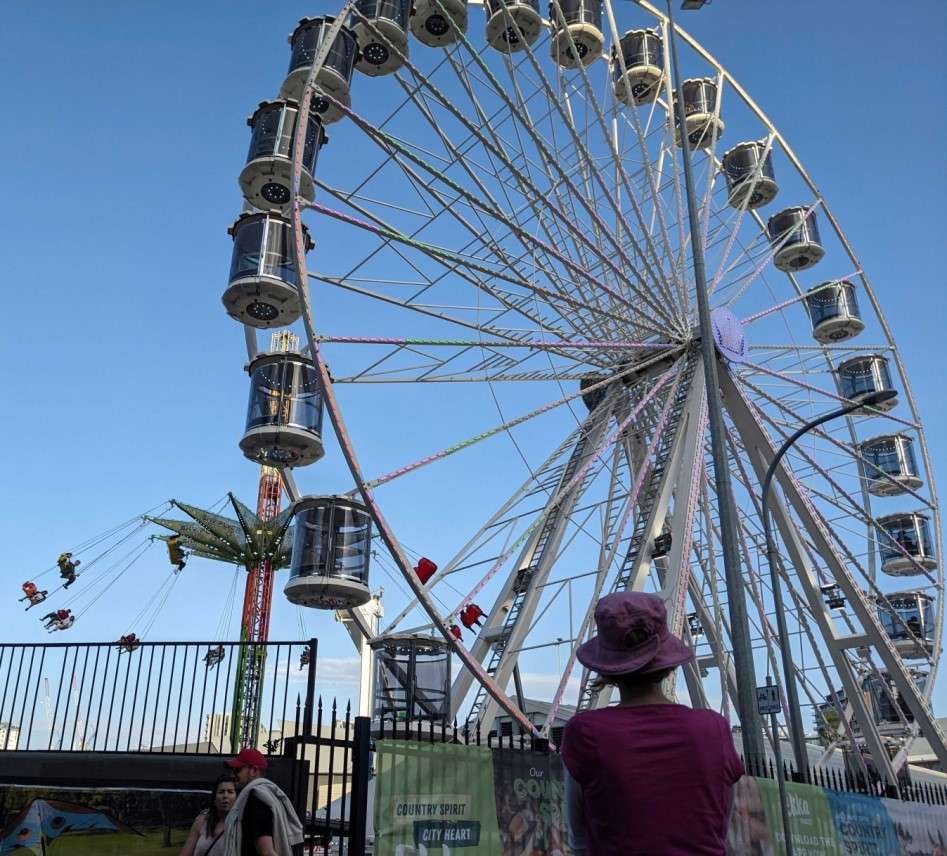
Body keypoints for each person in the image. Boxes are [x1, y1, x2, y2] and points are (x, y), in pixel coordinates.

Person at [561, 591, 744, 856]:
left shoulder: (586, 733)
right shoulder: (713, 729)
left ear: (606, 667)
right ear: (668, 663)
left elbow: (580, 839)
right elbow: (719, 827)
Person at [222, 748, 303, 856]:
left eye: (237, 770)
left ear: (254, 771)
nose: (232, 775)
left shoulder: (256, 798)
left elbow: (266, 852)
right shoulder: (265, 796)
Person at [180, 773, 237, 856]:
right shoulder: (201, 822)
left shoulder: (240, 825)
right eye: (221, 792)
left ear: (236, 797)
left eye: (230, 792)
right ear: (214, 798)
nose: (225, 796)